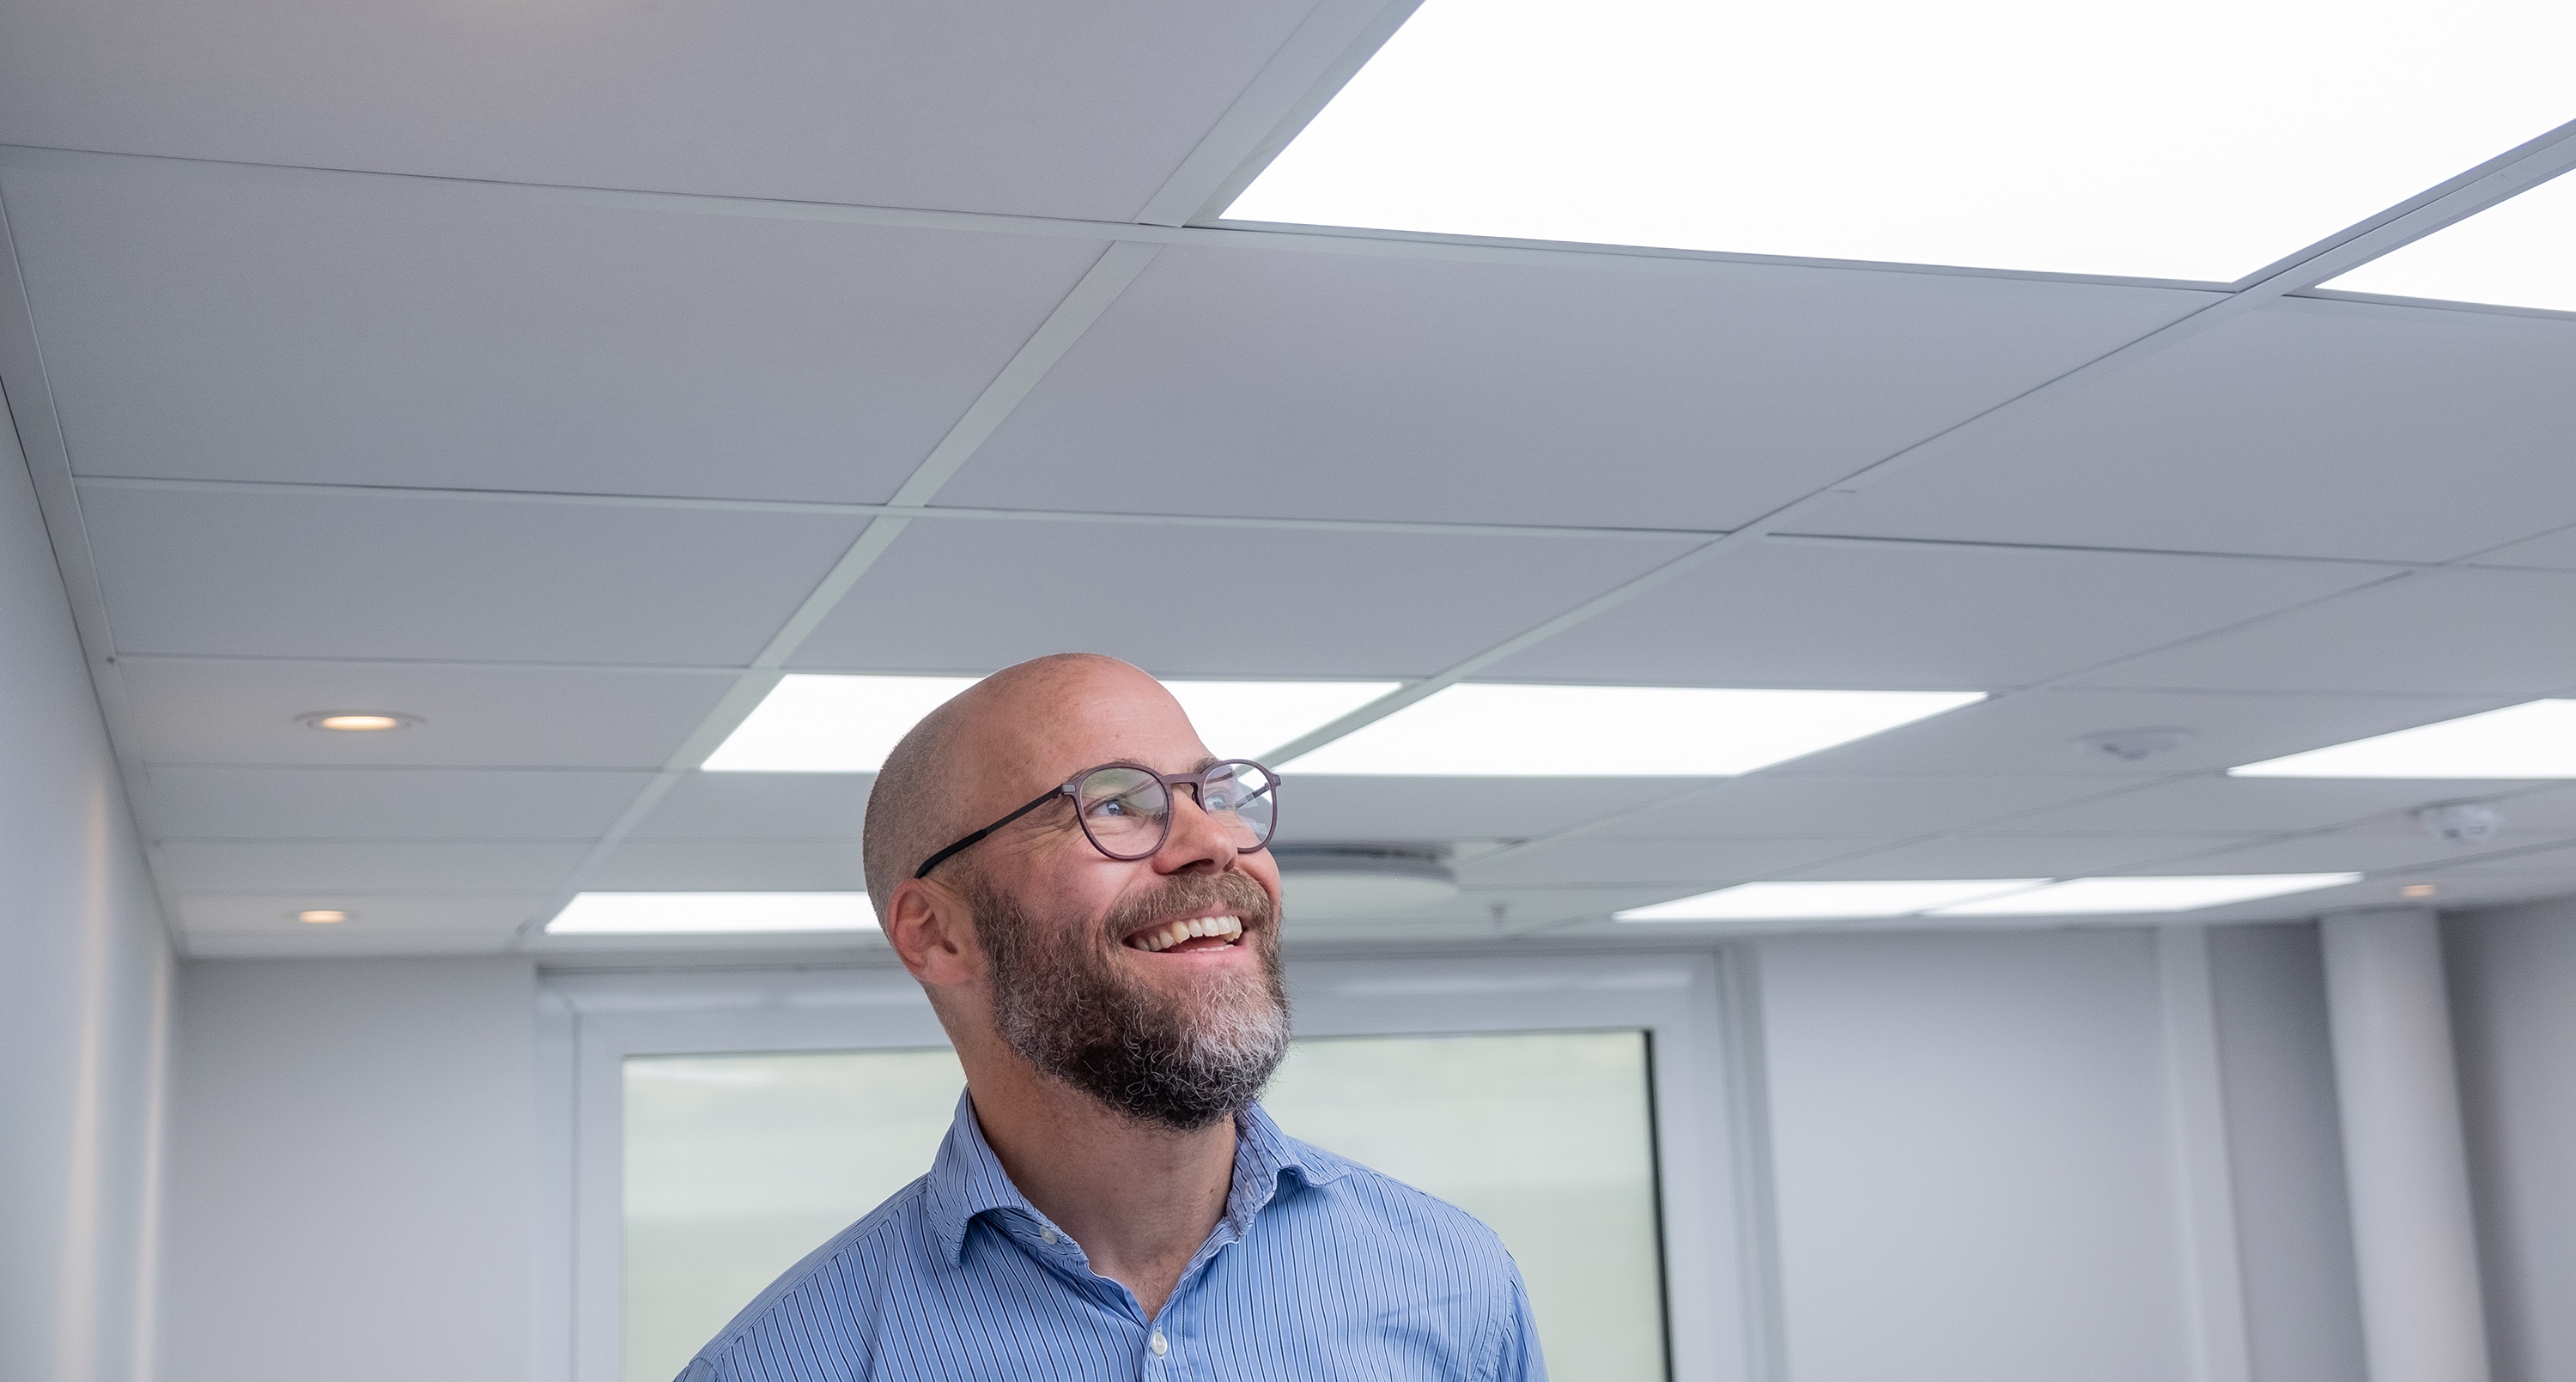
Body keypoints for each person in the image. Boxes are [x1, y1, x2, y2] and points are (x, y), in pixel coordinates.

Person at [677, 653, 1545, 1380]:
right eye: (1113, 803)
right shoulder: (782, 1363)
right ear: (938, 932)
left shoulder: (1456, 1282)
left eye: (1216, 792)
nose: (1214, 839)